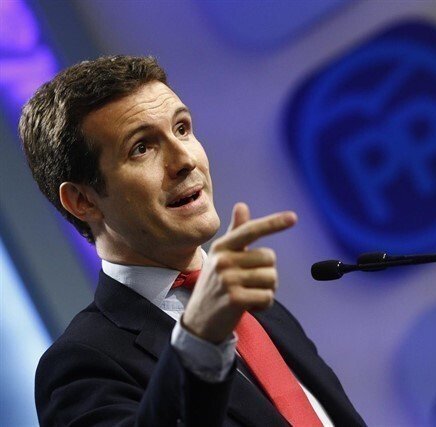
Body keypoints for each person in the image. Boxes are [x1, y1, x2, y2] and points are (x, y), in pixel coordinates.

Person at [20, 55, 365, 426]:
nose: (185, 159)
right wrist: (199, 337)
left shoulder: (260, 312)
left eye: (182, 128)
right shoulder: (80, 366)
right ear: (83, 201)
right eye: (141, 147)